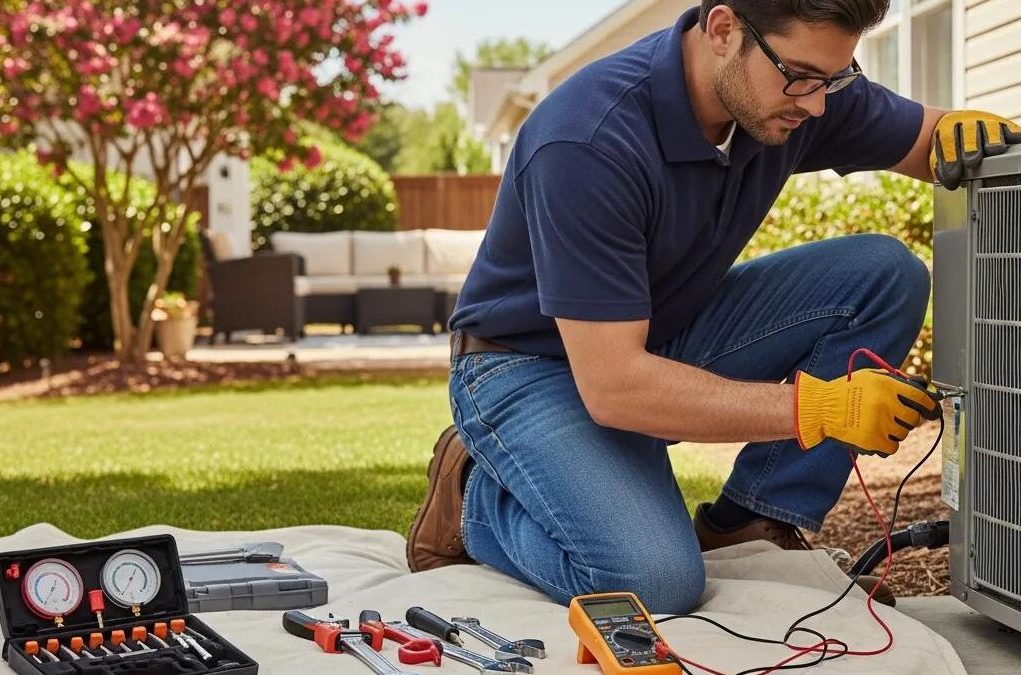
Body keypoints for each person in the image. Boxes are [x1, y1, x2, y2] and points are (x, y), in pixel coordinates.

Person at [406, 0, 1021, 614]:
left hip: (657, 336)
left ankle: (750, 521)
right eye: (804, 78)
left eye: (834, 80)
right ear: (724, 30)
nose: (817, 105)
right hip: (530, 369)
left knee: (883, 275)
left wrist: (965, 133)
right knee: (653, 583)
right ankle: (475, 499)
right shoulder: (589, 138)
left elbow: (929, 140)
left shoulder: (799, 87)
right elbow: (616, 387)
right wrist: (825, 407)